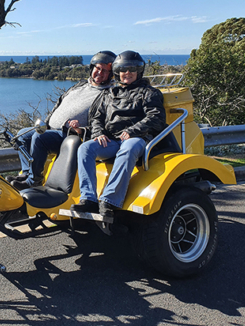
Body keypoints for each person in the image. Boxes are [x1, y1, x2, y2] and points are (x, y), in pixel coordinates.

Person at [71, 50, 167, 216]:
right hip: (112, 140)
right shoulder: (109, 93)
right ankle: (88, 198)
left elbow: (156, 117)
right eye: (123, 70)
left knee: (128, 148)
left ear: (139, 71)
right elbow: (97, 117)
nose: (127, 73)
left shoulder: (149, 93)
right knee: (85, 148)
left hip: (138, 138)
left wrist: (132, 131)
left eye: (131, 69)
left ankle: (109, 200)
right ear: (117, 72)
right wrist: (98, 133)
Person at [10, 51, 116, 190]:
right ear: (92, 68)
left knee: (39, 138)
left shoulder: (109, 94)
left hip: (70, 135)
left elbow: (103, 122)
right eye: (98, 68)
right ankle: (26, 173)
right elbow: (60, 104)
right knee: (21, 135)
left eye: (105, 71)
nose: (100, 73)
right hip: (51, 129)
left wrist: (81, 130)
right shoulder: (81, 85)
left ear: (111, 74)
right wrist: (48, 122)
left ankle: (34, 181)